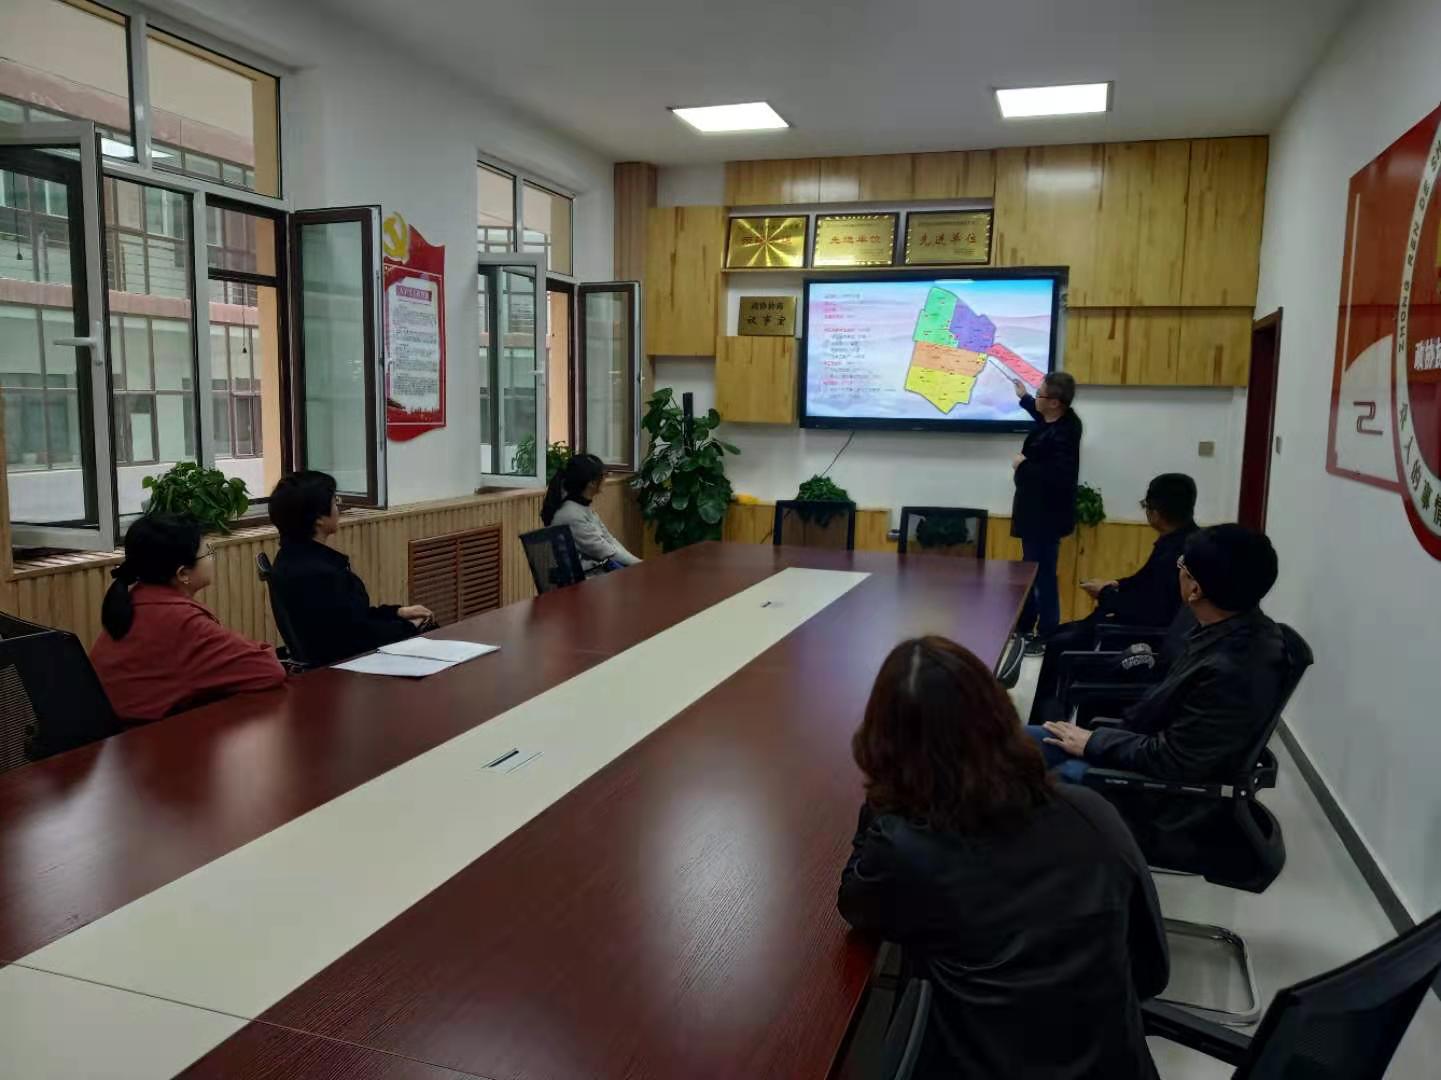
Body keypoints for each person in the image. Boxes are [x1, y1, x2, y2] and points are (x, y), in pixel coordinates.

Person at [838, 637, 1167, 1080]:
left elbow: (855, 904)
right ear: (1001, 717)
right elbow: (1150, 970)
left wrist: (882, 801)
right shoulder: (1092, 813)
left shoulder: (907, 848)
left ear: (884, 745)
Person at [1030, 524, 1286, 803]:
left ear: (1195, 589)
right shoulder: (1229, 629)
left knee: (1019, 780)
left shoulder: (1231, 670)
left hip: (1141, 787)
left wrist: (1094, 742)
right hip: (1132, 745)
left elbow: (1174, 760)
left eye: (1182, 565)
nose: (1178, 569)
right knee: (1009, 744)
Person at [1027, 473, 1200, 718]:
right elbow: (1145, 582)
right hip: (1137, 627)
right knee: (1060, 633)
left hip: (1136, 638)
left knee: (1059, 643)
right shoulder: (1185, 540)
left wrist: (1106, 593)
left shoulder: (1176, 553)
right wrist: (1116, 584)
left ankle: (1045, 722)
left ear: (1155, 513)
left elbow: (1149, 609)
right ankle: (1046, 718)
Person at [90, 514, 286, 725]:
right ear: (183, 573)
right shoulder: (182, 622)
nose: (211, 557)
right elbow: (269, 670)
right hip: (151, 737)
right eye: (207, 552)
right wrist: (261, 649)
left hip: (118, 737)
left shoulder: (132, 601)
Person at [267, 471, 433, 665]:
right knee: (430, 630)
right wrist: (409, 627)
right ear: (319, 518)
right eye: (334, 502)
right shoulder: (320, 574)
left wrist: (397, 612)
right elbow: (356, 638)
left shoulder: (289, 559)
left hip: (340, 661)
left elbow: (350, 618)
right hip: (348, 670)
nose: (338, 508)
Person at [1009, 371, 1082, 654]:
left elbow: (1058, 476)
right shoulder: (1055, 421)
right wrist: (1025, 398)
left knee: (1043, 575)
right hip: (1033, 513)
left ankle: (1048, 633)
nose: (1037, 398)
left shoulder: (1065, 432)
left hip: (1046, 516)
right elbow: (1042, 419)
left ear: (1054, 403)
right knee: (1031, 570)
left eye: (1040, 395)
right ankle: (1026, 625)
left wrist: (1023, 465)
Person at [541, 453, 641, 574]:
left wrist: (639, 563)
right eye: (603, 475)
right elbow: (606, 552)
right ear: (592, 483)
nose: (606, 478)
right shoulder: (571, 515)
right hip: (587, 580)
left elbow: (609, 540)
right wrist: (641, 565)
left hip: (597, 573)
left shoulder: (582, 507)